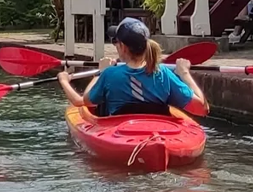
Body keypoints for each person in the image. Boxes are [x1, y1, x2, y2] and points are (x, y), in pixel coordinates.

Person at [56, 17, 209, 118]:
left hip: (121, 133)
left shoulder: (109, 74)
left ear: (122, 47)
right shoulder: (164, 73)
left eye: (116, 42)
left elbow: (81, 101)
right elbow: (202, 109)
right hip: (158, 130)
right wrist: (184, 73)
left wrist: (65, 80)